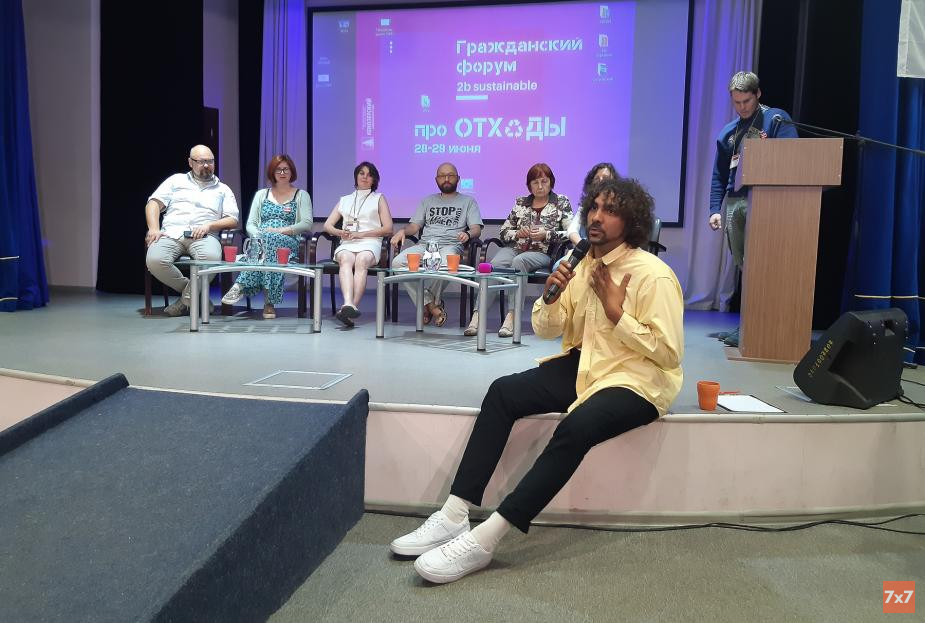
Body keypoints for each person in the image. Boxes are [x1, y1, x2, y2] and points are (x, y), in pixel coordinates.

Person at [389, 176, 684, 584]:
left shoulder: (653, 274)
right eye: (594, 207)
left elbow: (669, 354)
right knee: (503, 392)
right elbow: (548, 330)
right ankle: (455, 513)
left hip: (638, 379)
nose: (597, 217)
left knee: (577, 426)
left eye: (610, 210)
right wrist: (550, 296)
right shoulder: (583, 265)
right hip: (588, 365)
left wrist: (618, 314)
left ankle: (487, 538)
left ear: (631, 221)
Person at [709, 71, 798, 346]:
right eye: (736, 103)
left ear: (758, 94)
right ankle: (748, 324)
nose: (742, 108)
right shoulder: (728, 132)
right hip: (735, 202)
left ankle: (764, 325)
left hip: (768, 201)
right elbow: (719, 175)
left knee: (764, 265)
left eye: (746, 101)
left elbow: (793, 157)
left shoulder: (776, 119)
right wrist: (714, 209)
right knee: (745, 266)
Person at [465, 163, 572, 338]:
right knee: (493, 265)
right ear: (529, 185)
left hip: (542, 253)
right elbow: (503, 232)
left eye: (544, 181)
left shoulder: (561, 202)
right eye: (535, 182)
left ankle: (512, 316)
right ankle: (478, 315)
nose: (540, 186)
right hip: (515, 248)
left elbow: (570, 233)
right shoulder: (521, 203)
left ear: (551, 182)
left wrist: (546, 234)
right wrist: (517, 233)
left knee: (519, 262)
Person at [145, 145, 240, 316]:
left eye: (210, 161)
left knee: (210, 259)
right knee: (154, 260)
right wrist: (153, 228)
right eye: (201, 161)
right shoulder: (175, 181)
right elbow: (153, 203)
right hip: (171, 234)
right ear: (190, 162)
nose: (206, 165)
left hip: (204, 236)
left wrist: (209, 226)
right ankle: (198, 296)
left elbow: (232, 219)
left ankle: (185, 301)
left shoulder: (223, 189)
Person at [391, 162, 483, 327]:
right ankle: (432, 304)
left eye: (450, 175)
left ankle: (427, 305)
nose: (446, 179)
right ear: (436, 179)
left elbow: (476, 228)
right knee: (397, 263)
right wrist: (402, 231)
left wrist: (468, 234)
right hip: (426, 245)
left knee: (448, 263)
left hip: (450, 245)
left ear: (458, 179)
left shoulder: (468, 201)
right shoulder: (427, 201)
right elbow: (414, 227)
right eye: (442, 176)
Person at [220, 154, 313, 319]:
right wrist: (258, 236)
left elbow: (306, 223)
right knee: (267, 244)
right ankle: (269, 302)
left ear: (292, 171)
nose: (282, 173)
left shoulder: (301, 195)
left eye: (286, 169)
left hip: (288, 240)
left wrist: (281, 231)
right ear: (272, 172)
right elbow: (250, 223)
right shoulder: (262, 194)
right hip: (261, 241)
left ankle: (240, 285)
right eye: (278, 170)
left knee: (270, 242)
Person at [322, 162, 394, 327]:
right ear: (356, 176)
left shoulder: (379, 198)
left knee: (362, 260)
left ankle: (349, 307)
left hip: (370, 242)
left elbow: (388, 228)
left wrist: (361, 234)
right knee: (346, 259)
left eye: (369, 175)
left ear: (374, 179)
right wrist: (340, 232)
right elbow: (327, 226)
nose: (365, 177)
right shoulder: (345, 200)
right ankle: (348, 304)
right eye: (362, 173)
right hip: (348, 242)